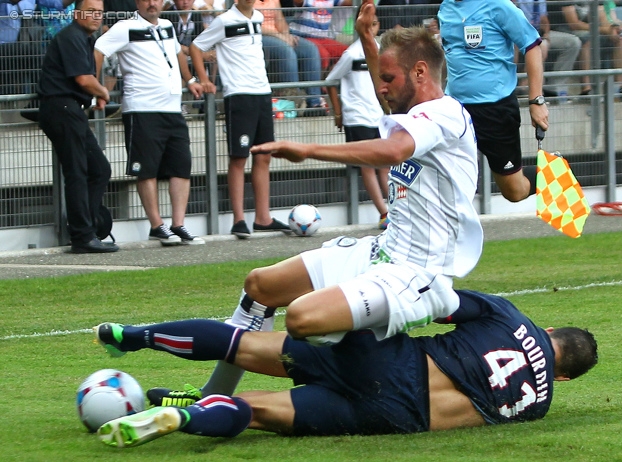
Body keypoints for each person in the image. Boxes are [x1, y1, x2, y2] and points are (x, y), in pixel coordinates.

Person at [151, 0, 484, 401]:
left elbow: (395, 151)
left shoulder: (445, 115)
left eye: (388, 79)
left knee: (303, 319)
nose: (380, 88)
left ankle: (353, 385)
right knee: (260, 285)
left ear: (420, 72)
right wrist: (365, 37)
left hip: (416, 273)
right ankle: (211, 395)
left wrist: (308, 150)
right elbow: (392, 105)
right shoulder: (414, 110)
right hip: (382, 251)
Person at [93, 289, 598, 446]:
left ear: (550, 329)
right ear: (566, 376)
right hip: (397, 416)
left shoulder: (510, 315)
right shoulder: (540, 404)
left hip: (394, 361)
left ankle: (132, 337)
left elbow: (436, 300)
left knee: (242, 345)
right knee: (256, 413)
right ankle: (186, 418)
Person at [94, 0, 207, 246]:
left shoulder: (167, 25)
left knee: (181, 166)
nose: (152, 3)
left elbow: (177, 53)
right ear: (138, 2)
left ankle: (178, 224)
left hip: (172, 107)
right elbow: (99, 49)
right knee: (146, 169)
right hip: (142, 108)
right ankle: (157, 225)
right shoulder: (125, 27)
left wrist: (190, 80)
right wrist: (96, 86)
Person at [189, 0, 292, 239]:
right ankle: (238, 219)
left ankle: (263, 217)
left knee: (264, 155)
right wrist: (204, 79)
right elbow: (196, 46)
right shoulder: (224, 21)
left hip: (262, 93)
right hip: (239, 95)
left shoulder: (256, 18)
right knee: (239, 156)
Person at [438, 0, 549, 203]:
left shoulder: (498, 5)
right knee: (446, 182)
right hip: (456, 110)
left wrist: (536, 100)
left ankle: (555, 168)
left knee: (514, 191)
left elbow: (532, 45)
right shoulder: (445, 8)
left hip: (495, 111)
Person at [36, 0, 119, 253]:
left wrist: (94, 95)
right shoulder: (71, 36)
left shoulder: (83, 39)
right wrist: (103, 92)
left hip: (71, 110)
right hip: (61, 109)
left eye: (99, 13)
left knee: (99, 169)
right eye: (90, 11)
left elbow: (85, 80)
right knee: (77, 172)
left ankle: (87, 227)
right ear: (76, 13)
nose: (96, 17)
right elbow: (83, 79)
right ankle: (82, 237)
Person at [325, 8, 389, 229]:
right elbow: (331, 81)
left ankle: (395, 210)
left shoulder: (380, 52)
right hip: (357, 116)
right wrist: (338, 112)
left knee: (385, 165)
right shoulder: (351, 54)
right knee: (368, 166)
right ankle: (384, 212)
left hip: (377, 117)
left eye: (375, 24)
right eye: (368, 25)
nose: (372, 29)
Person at [255, 0, 327, 115]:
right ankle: (294, 102)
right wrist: (280, 36)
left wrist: (286, 35)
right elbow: (252, 24)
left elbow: (281, 21)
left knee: (310, 49)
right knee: (286, 51)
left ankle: (314, 102)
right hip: (259, 36)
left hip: (278, 35)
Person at [516, 0, 581, 100]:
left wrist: (546, 35)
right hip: (518, 34)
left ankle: (555, 88)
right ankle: (527, 88)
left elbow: (544, 20)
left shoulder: (539, 1)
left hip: (538, 33)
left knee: (573, 42)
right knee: (539, 46)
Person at [288, 0, 352, 72]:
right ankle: (321, 82)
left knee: (348, 54)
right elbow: (298, 2)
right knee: (323, 56)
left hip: (322, 38)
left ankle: (330, 80)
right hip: (303, 37)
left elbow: (352, 2)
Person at [0, 0, 37, 95]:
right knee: (33, 54)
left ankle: (36, 103)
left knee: (36, 56)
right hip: (4, 47)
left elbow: (58, 2)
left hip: (13, 49)